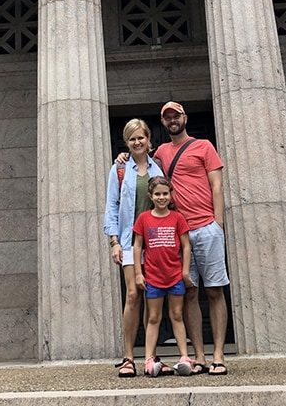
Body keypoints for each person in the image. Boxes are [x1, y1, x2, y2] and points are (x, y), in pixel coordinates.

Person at [153, 101, 229, 376]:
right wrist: (121, 158)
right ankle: (198, 356)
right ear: (164, 123)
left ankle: (219, 355)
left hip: (207, 227)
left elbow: (217, 184)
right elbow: (143, 164)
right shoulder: (161, 152)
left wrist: (217, 223)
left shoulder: (204, 146)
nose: (172, 120)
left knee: (215, 290)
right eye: (168, 118)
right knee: (189, 293)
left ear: (185, 118)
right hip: (180, 233)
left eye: (176, 116)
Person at [102, 118, 164, 378]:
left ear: (149, 140)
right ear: (126, 143)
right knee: (132, 295)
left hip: (156, 240)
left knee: (153, 296)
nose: (137, 142)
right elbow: (112, 206)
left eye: (141, 137)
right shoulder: (119, 169)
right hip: (128, 241)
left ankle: (150, 355)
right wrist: (114, 241)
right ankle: (128, 356)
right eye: (132, 139)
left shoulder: (158, 168)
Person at [133, 176, 194, 377]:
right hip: (153, 277)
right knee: (153, 317)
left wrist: (185, 272)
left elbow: (186, 246)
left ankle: (184, 356)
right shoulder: (144, 218)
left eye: (165, 193)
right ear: (150, 196)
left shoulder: (177, 218)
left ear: (171, 195)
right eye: (157, 194)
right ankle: (149, 358)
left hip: (175, 275)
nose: (161, 197)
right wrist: (138, 273)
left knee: (176, 315)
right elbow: (138, 246)